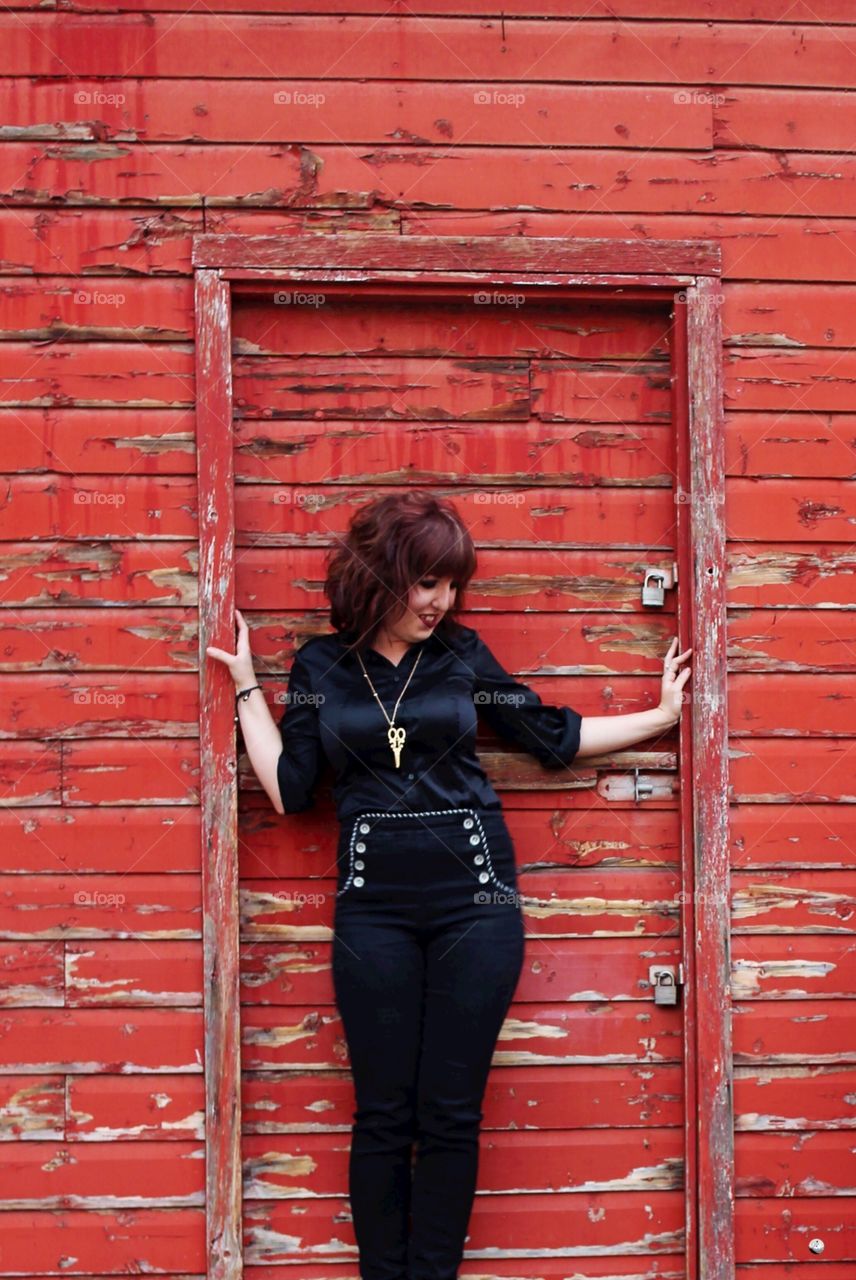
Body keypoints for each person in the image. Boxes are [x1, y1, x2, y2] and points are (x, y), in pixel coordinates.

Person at [207, 488, 691, 1280]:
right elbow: (293, 790)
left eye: (450, 583)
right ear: (382, 575)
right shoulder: (321, 667)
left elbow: (548, 736)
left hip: (478, 904)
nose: (440, 600)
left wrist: (659, 716)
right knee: (384, 1117)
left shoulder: (463, 656)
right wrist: (246, 688)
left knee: (451, 1116)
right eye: (425, 581)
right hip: (374, 914)